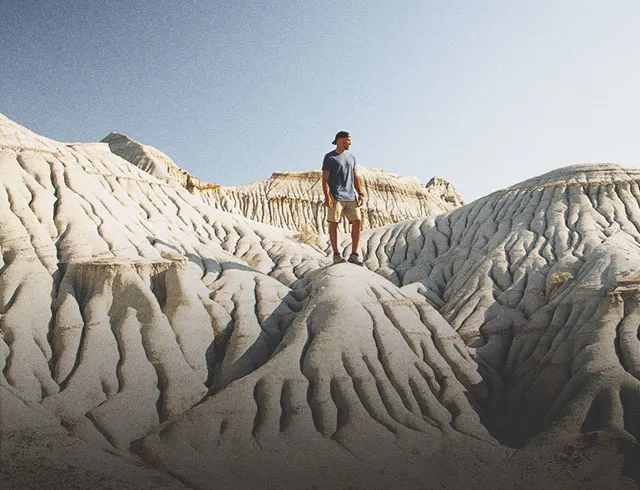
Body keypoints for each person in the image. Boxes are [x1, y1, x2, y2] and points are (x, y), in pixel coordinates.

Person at [322, 131, 365, 266]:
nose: (349, 143)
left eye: (350, 141)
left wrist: (360, 193)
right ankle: (336, 254)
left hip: (351, 196)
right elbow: (324, 180)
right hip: (336, 196)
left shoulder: (351, 157)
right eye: (347, 140)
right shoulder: (329, 157)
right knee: (334, 223)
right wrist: (327, 196)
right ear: (339, 141)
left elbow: (355, 176)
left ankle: (354, 254)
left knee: (357, 221)